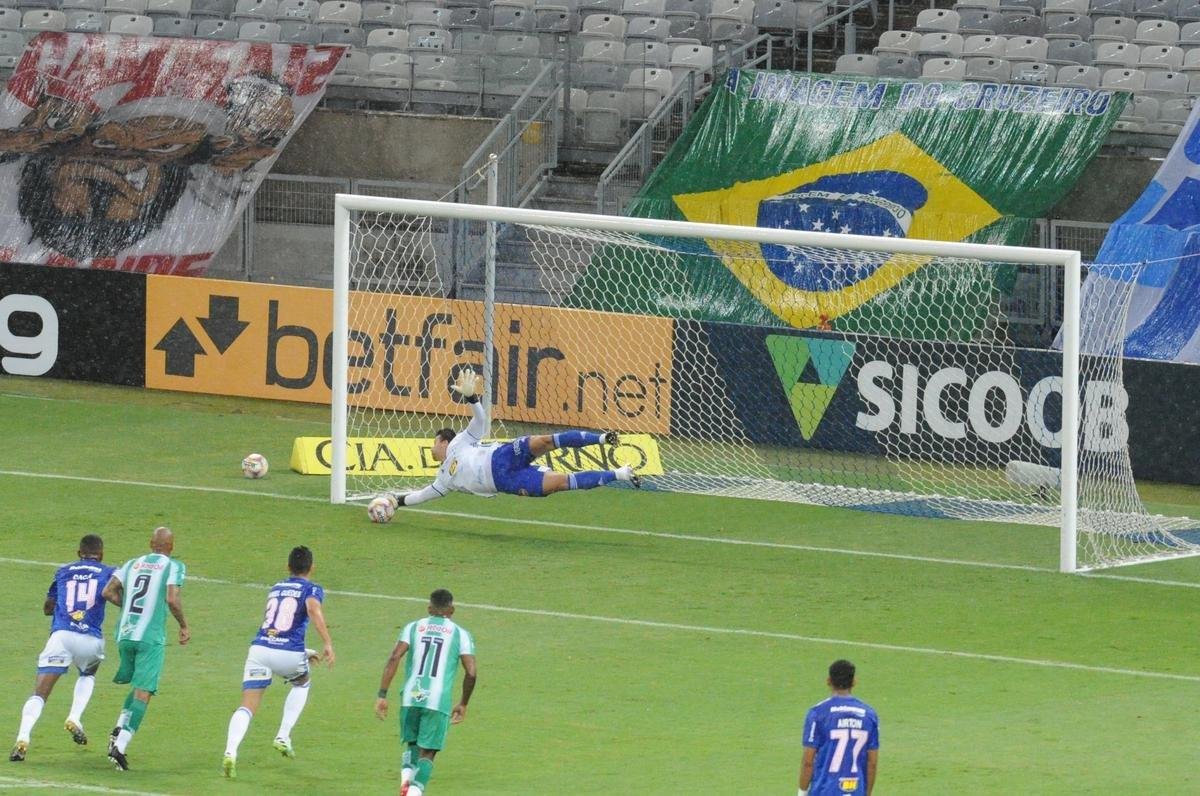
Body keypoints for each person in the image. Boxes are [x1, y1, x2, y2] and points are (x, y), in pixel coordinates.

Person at [387, 370, 640, 509]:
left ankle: (603, 438)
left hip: (501, 455)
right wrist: (396, 501)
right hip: (505, 481)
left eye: (434, 442)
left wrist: (472, 399)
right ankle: (620, 474)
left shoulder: (460, 443)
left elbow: (481, 422)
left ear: (443, 441)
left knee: (544, 441)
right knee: (560, 483)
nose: (432, 448)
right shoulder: (443, 480)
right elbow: (420, 496)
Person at [222, 545, 335, 779]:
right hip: (288, 654)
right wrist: (327, 643)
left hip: (260, 649)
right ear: (312, 567)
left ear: (288, 567)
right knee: (302, 682)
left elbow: (277, 628)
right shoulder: (312, 588)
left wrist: (305, 651)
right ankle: (283, 735)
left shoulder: (276, 587)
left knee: (247, 706)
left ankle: (230, 752)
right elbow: (313, 609)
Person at [9, 535, 115, 762]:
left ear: (79, 553)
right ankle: (75, 717)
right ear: (102, 554)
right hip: (90, 638)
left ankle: (23, 738)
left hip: (61, 636)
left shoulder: (63, 571)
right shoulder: (108, 571)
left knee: (39, 694)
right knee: (87, 674)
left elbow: (47, 608)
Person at [100, 526, 189, 772]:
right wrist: (183, 625)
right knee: (145, 690)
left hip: (125, 635)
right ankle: (120, 746)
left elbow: (108, 591)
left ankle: (119, 728)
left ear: (151, 543)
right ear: (171, 547)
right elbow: (172, 599)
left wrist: (127, 605)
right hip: (150, 637)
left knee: (138, 685)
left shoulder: (131, 563)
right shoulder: (173, 566)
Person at [375, 589, 476, 796]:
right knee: (428, 752)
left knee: (412, 745)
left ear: (429, 608)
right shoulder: (460, 634)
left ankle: (405, 786)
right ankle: (413, 792)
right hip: (437, 702)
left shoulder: (413, 627)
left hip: (411, 697)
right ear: (452, 610)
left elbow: (394, 657)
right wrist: (463, 703)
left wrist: (382, 695)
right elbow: (471, 672)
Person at [798, 659, 880, 796]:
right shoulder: (869, 715)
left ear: (829, 681)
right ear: (854, 681)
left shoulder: (817, 713)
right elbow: (872, 763)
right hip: (856, 791)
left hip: (823, 791)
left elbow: (808, 761)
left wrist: (801, 792)